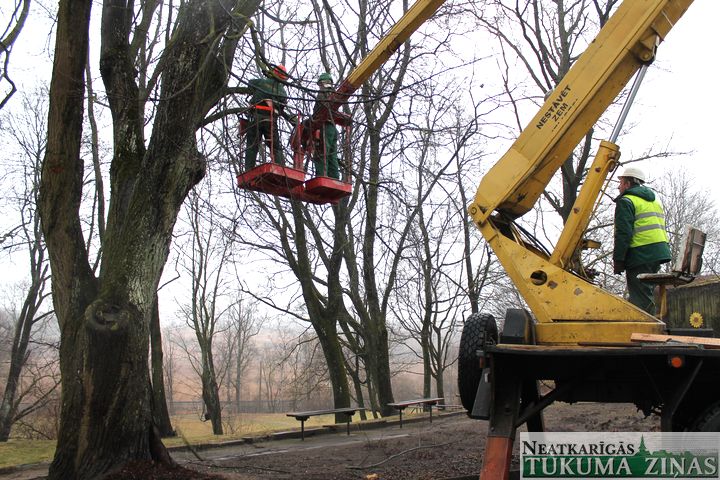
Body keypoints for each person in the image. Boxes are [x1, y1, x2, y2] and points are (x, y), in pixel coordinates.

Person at [613, 166, 671, 313]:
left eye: (621, 182)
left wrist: (618, 259)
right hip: (658, 253)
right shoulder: (653, 201)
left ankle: (646, 331)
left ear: (627, 184)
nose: (619, 186)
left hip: (641, 254)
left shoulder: (626, 201)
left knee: (640, 297)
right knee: (646, 292)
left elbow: (623, 233)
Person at [244, 65, 291, 170]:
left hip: (255, 117)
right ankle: (280, 169)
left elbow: (250, 83)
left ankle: (248, 169)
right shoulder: (282, 91)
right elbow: (282, 107)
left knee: (252, 145)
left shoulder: (260, 82)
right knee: (275, 146)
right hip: (270, 119)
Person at [311, 72, 339, 179]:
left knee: (321, 152)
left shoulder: (322, 93)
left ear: (322, 83)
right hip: (332, 128)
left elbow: (319, 112)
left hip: (324, 127)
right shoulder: (335, 95)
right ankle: (335, 178)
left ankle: (321, 177)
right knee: (332, 155)